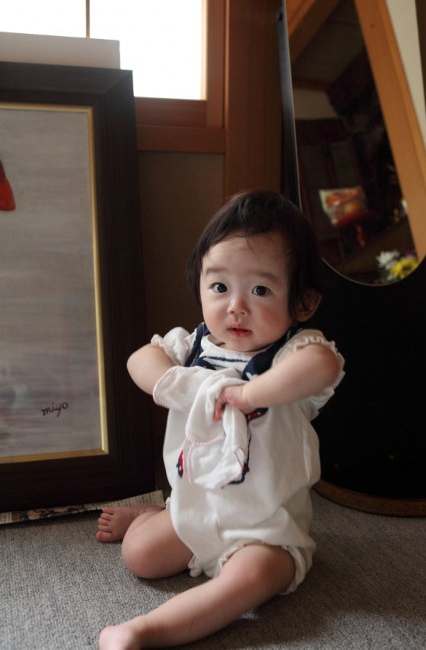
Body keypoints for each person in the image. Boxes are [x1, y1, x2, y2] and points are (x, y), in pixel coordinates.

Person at [97, 190, 345, 649]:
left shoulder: (289, 355)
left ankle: (146, 631)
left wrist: (248, 394)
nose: (236, 306)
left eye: (260, 290)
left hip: (264, 528)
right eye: (219, 287)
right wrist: (181, 383)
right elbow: (139, 360)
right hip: (194, 508)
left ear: (303, 303)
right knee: (140, 556)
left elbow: (323, 366)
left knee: (257, 577)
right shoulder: (192, 347)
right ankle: (155, 514)